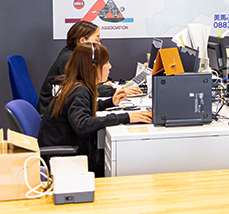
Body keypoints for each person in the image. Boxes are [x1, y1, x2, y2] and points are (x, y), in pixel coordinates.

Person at [38, 42, 152, 176]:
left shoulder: (75, 84)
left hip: (62, 150)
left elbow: (80, 109)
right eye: (106, 63)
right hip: (64, 160)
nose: (110, 67)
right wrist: (126, 117)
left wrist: (110, 102)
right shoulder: (80, 91)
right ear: (93, 68)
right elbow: (82, 124)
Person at [37, 21, 140, 114]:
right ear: (82, 40)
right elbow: (84, 87)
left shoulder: (73, 54)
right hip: (54, 113)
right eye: (97, 40)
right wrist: (117, 91)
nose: (99, 44)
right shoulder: (70, 59)